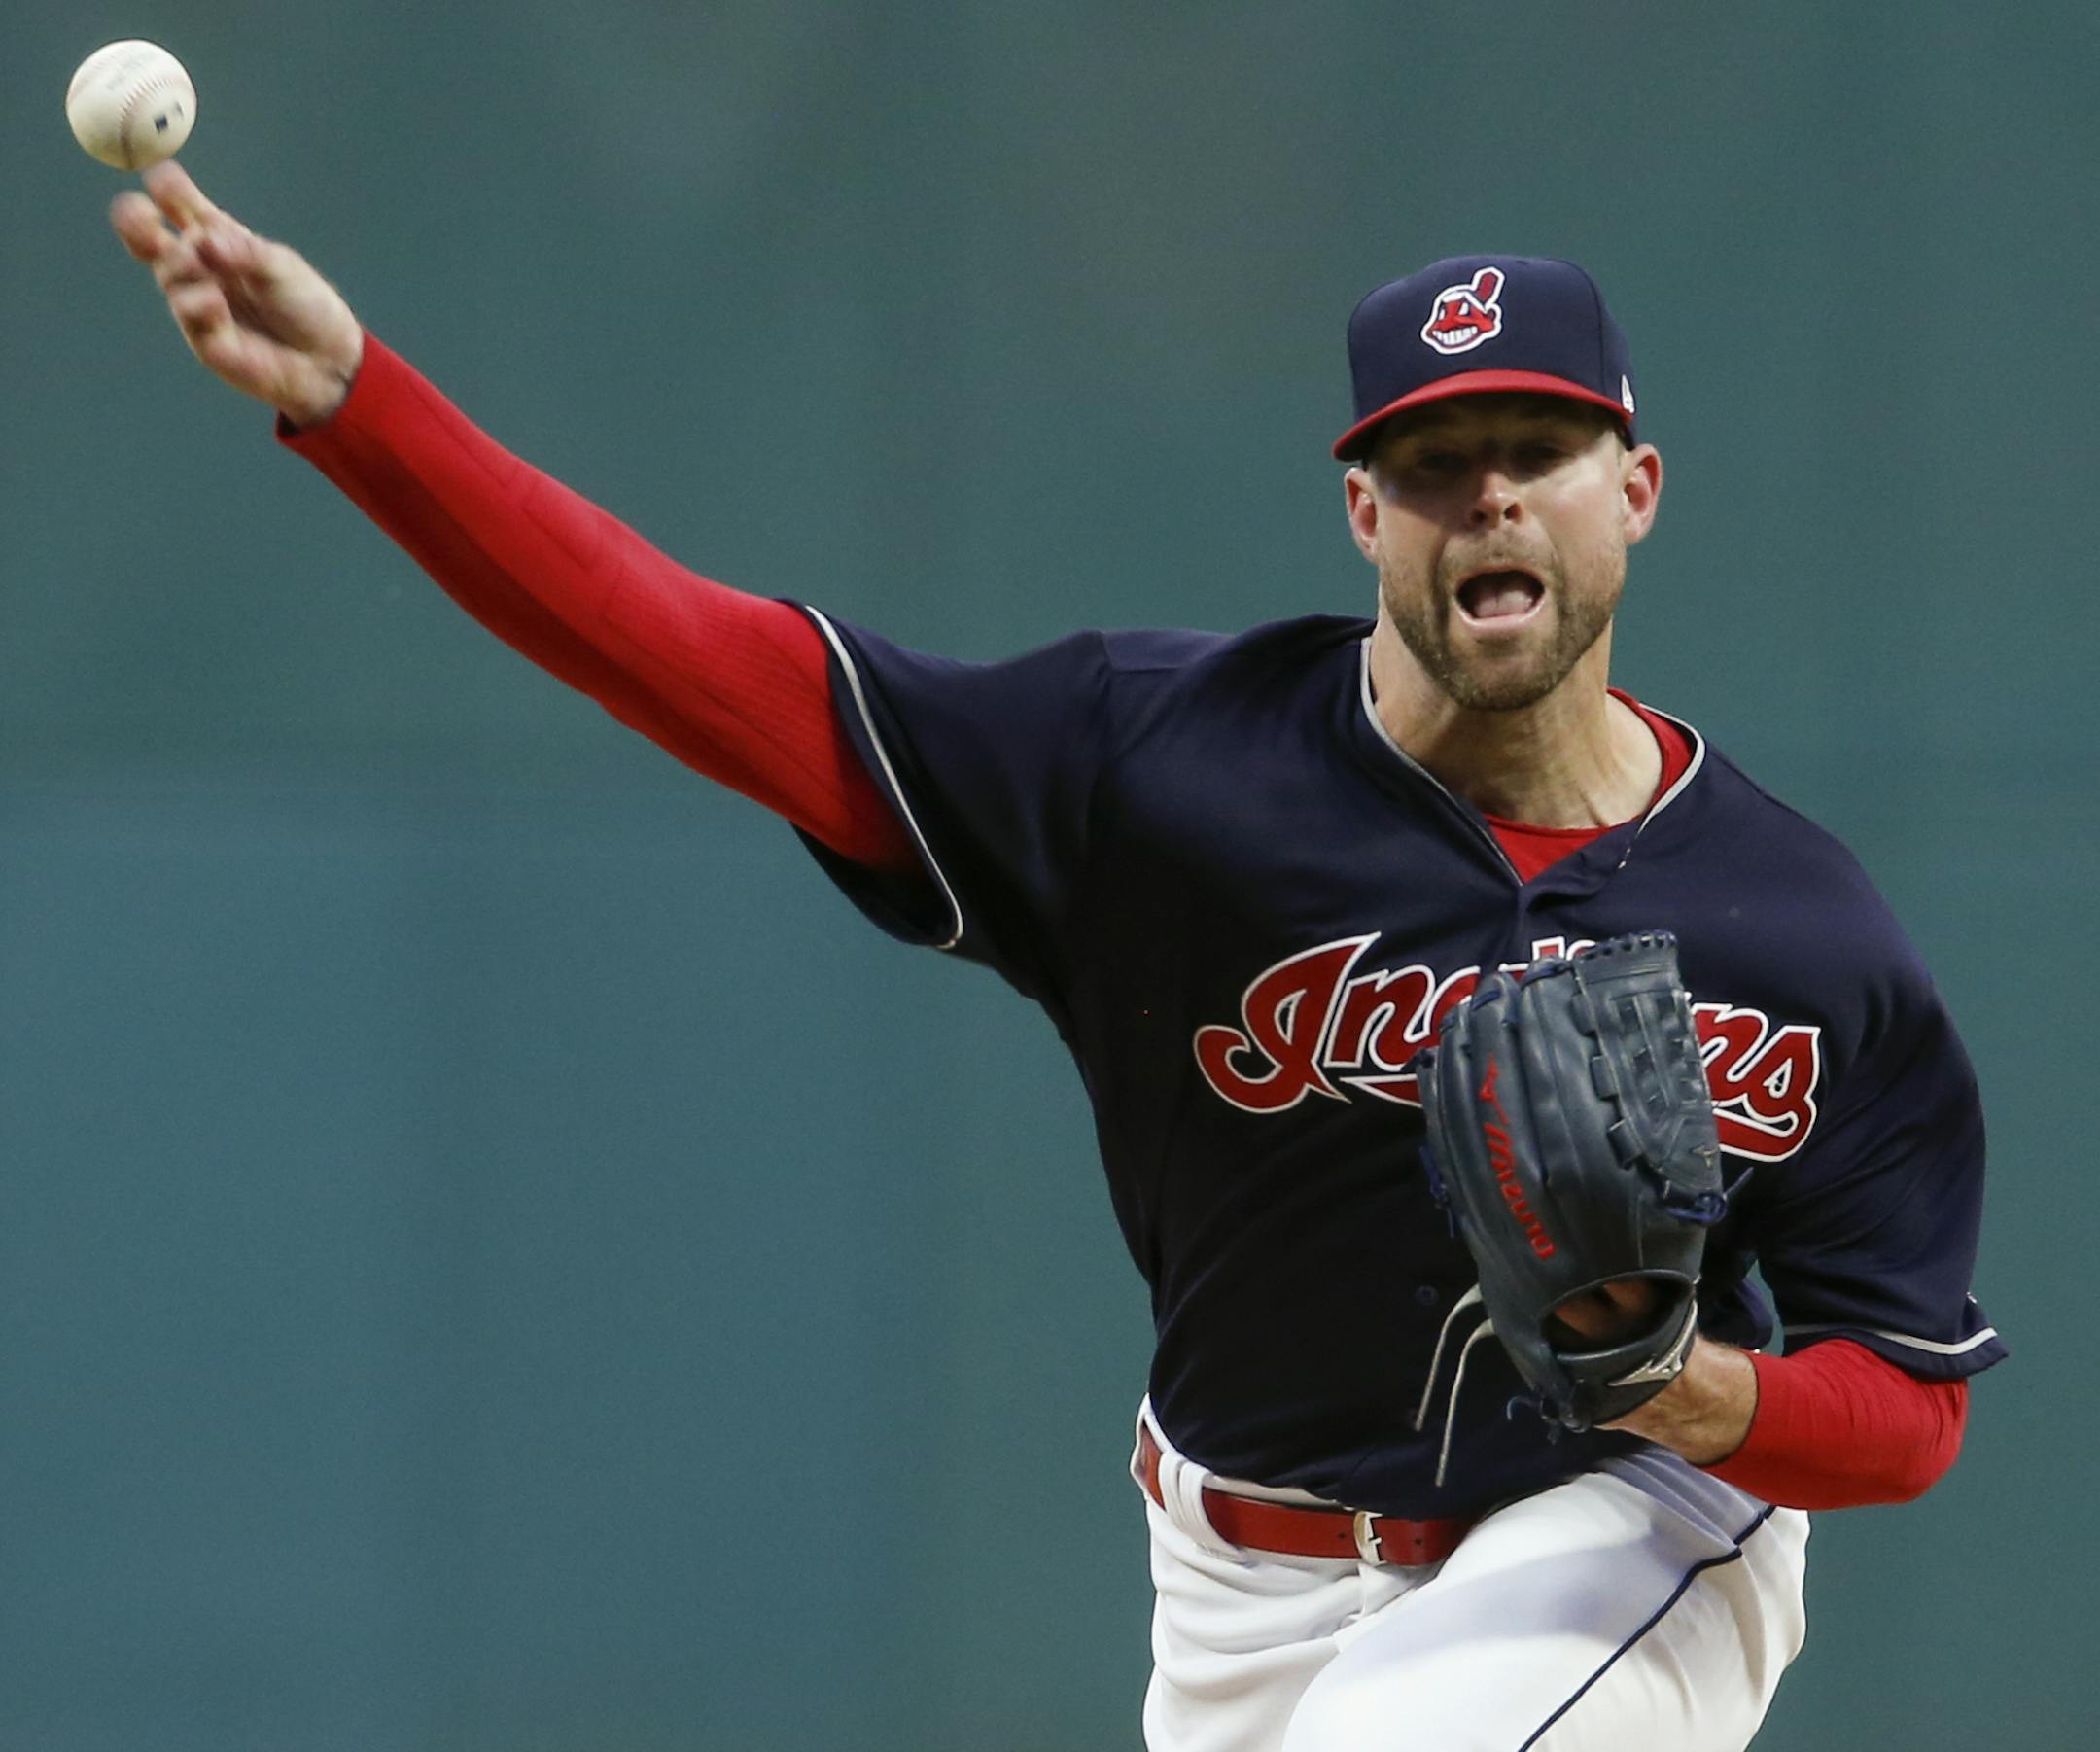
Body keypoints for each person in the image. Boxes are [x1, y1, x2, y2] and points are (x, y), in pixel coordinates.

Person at [111, 164, 2004, 1752]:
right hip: (1236, 1581)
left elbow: (1909, 1411)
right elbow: (702, 662)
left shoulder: (1795, 932)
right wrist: (366, 414)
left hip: (1630, 1529)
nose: (1488, 494)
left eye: (1537, 447)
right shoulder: (1157, 769)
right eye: (1433, 462)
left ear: (1633, 487)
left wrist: (1685, 1390)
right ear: (1364, 512)